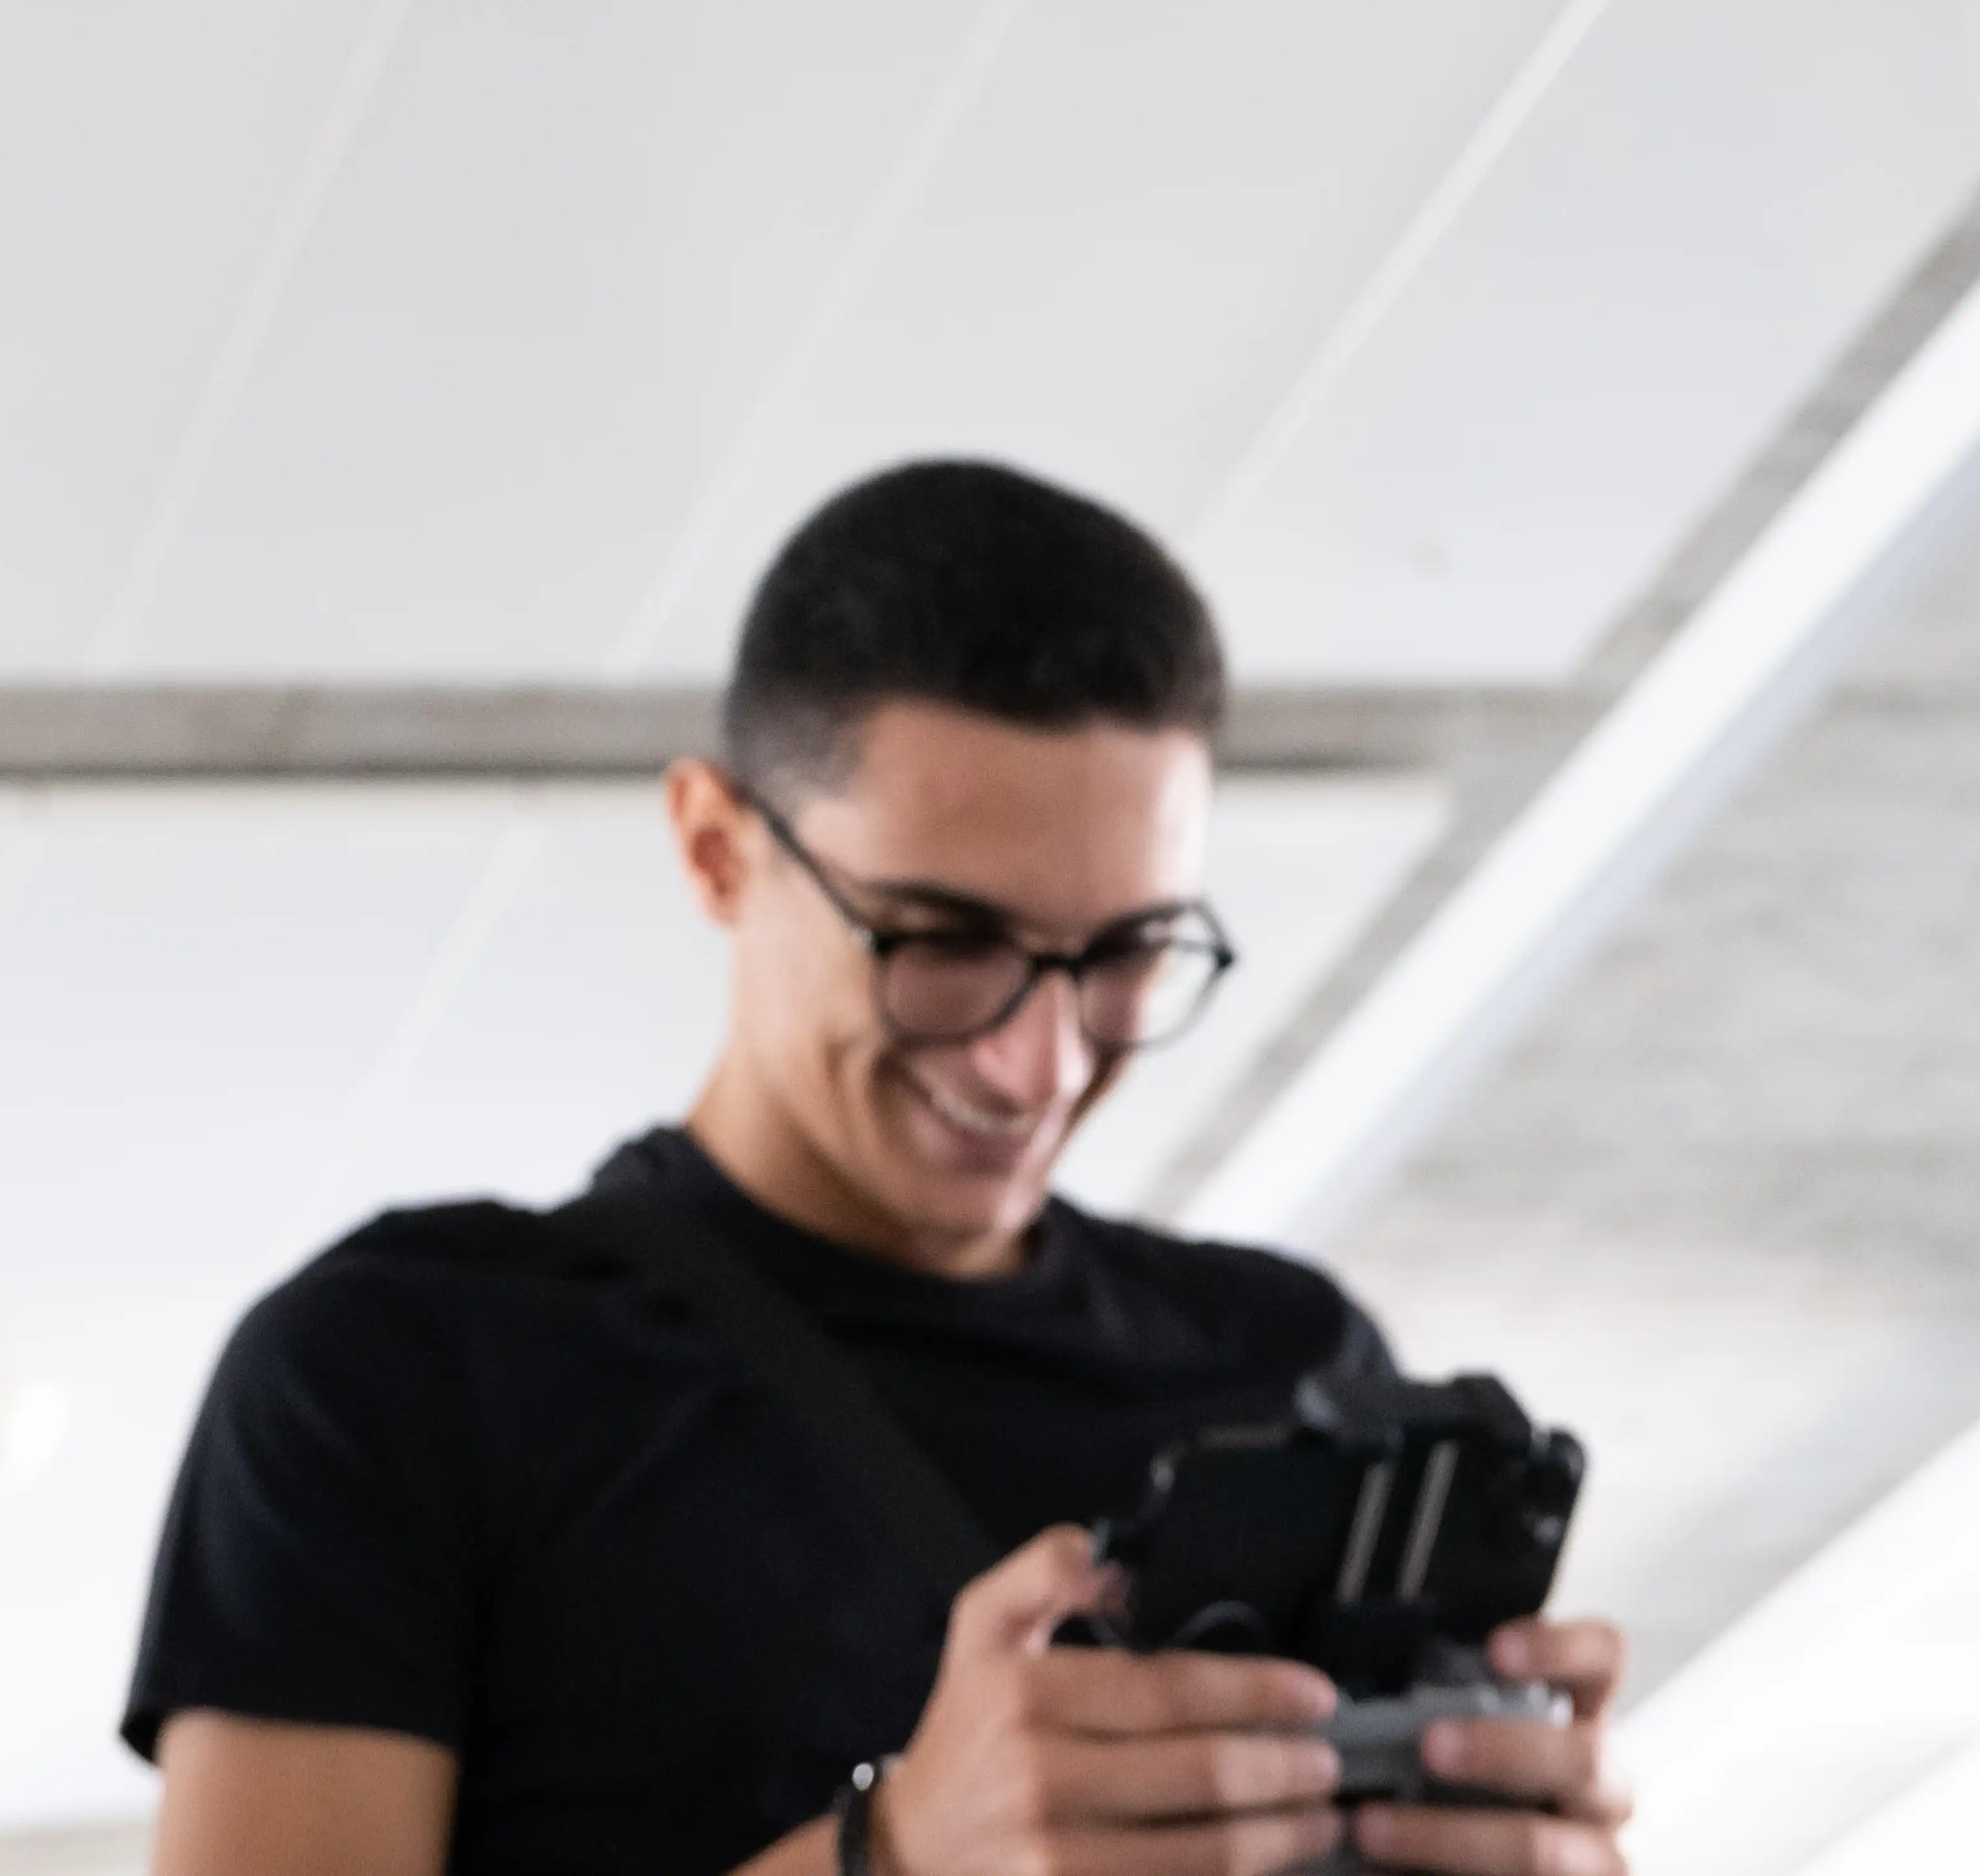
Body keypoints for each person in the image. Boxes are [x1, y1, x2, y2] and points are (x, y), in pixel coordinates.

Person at [128, 461, 1632, 1876]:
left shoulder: (1291, 1364)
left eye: (1126, 952)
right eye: (945, 942)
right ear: (717, 849)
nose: (1039, 1064)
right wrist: (893, 1853)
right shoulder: (397, 1369)